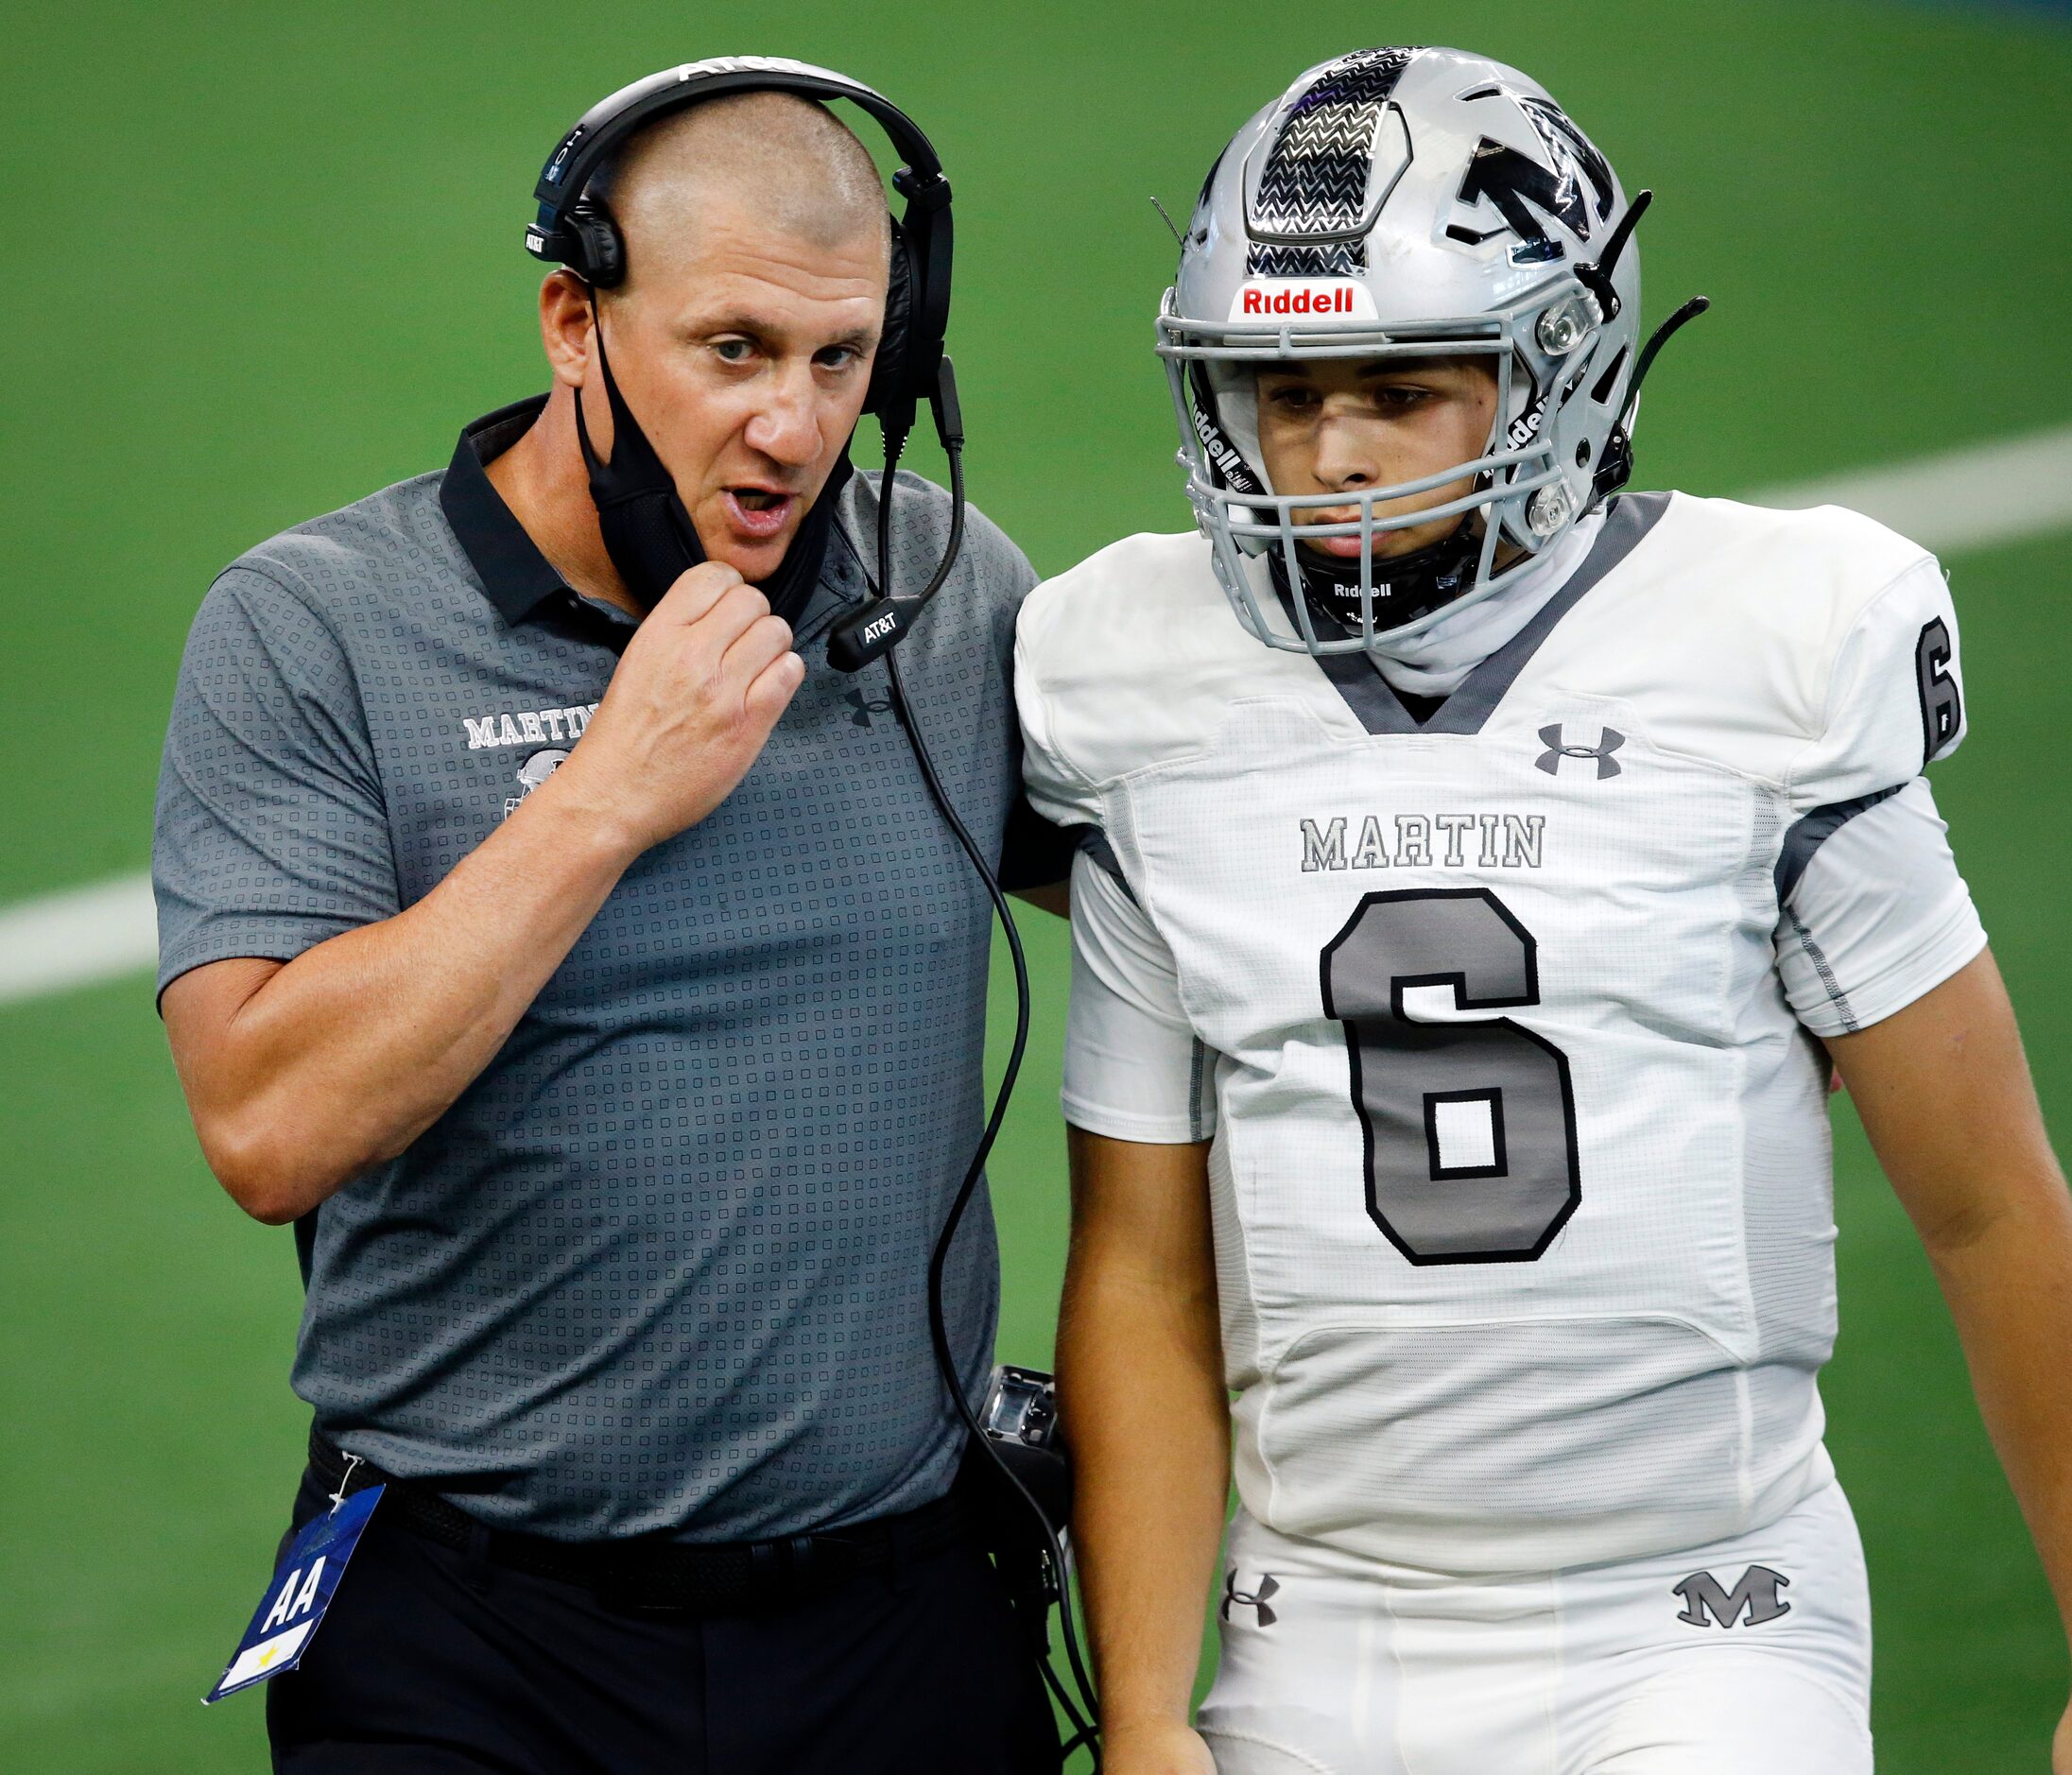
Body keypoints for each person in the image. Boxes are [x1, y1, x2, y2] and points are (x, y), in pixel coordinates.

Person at [1016, 45, 2072, 1775]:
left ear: (1558, 373)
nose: (1327, 452)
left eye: (1397, 386)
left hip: (1705, 1610)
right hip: (1325, 1621)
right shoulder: (1144, 691)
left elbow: (1987, 1204)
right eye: (1283, 393)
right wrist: (1141, 1708)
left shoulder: (1775, 651)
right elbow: (1142, 1273)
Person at [155, 60, 1062, 1774]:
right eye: (732, 350)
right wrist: (604, 795)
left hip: (902, 1616)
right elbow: (266, 1122)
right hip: (476, 1648)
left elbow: (1197, 870)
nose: (791, 427)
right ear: (574, 321)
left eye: (841, 357)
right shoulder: (311, 629)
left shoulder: (942, 596)